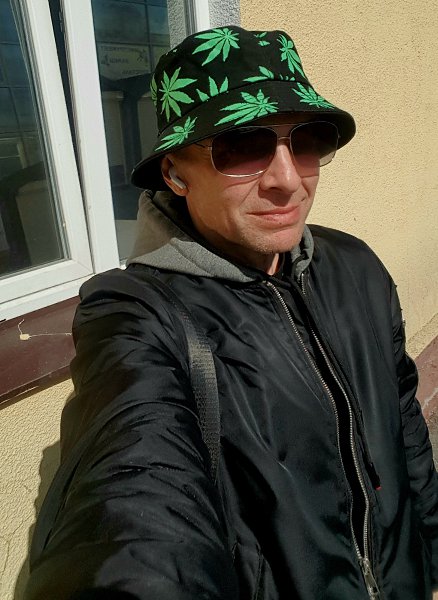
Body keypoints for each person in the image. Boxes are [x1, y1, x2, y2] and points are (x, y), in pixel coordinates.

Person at [25, 26, 438, 600]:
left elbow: (403, 426)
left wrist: (430, 556)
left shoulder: (355, 265)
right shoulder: (136, 315)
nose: (288, 181)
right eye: (242, 146)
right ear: (175, 173)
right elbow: (134, 511)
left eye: (307, 141)